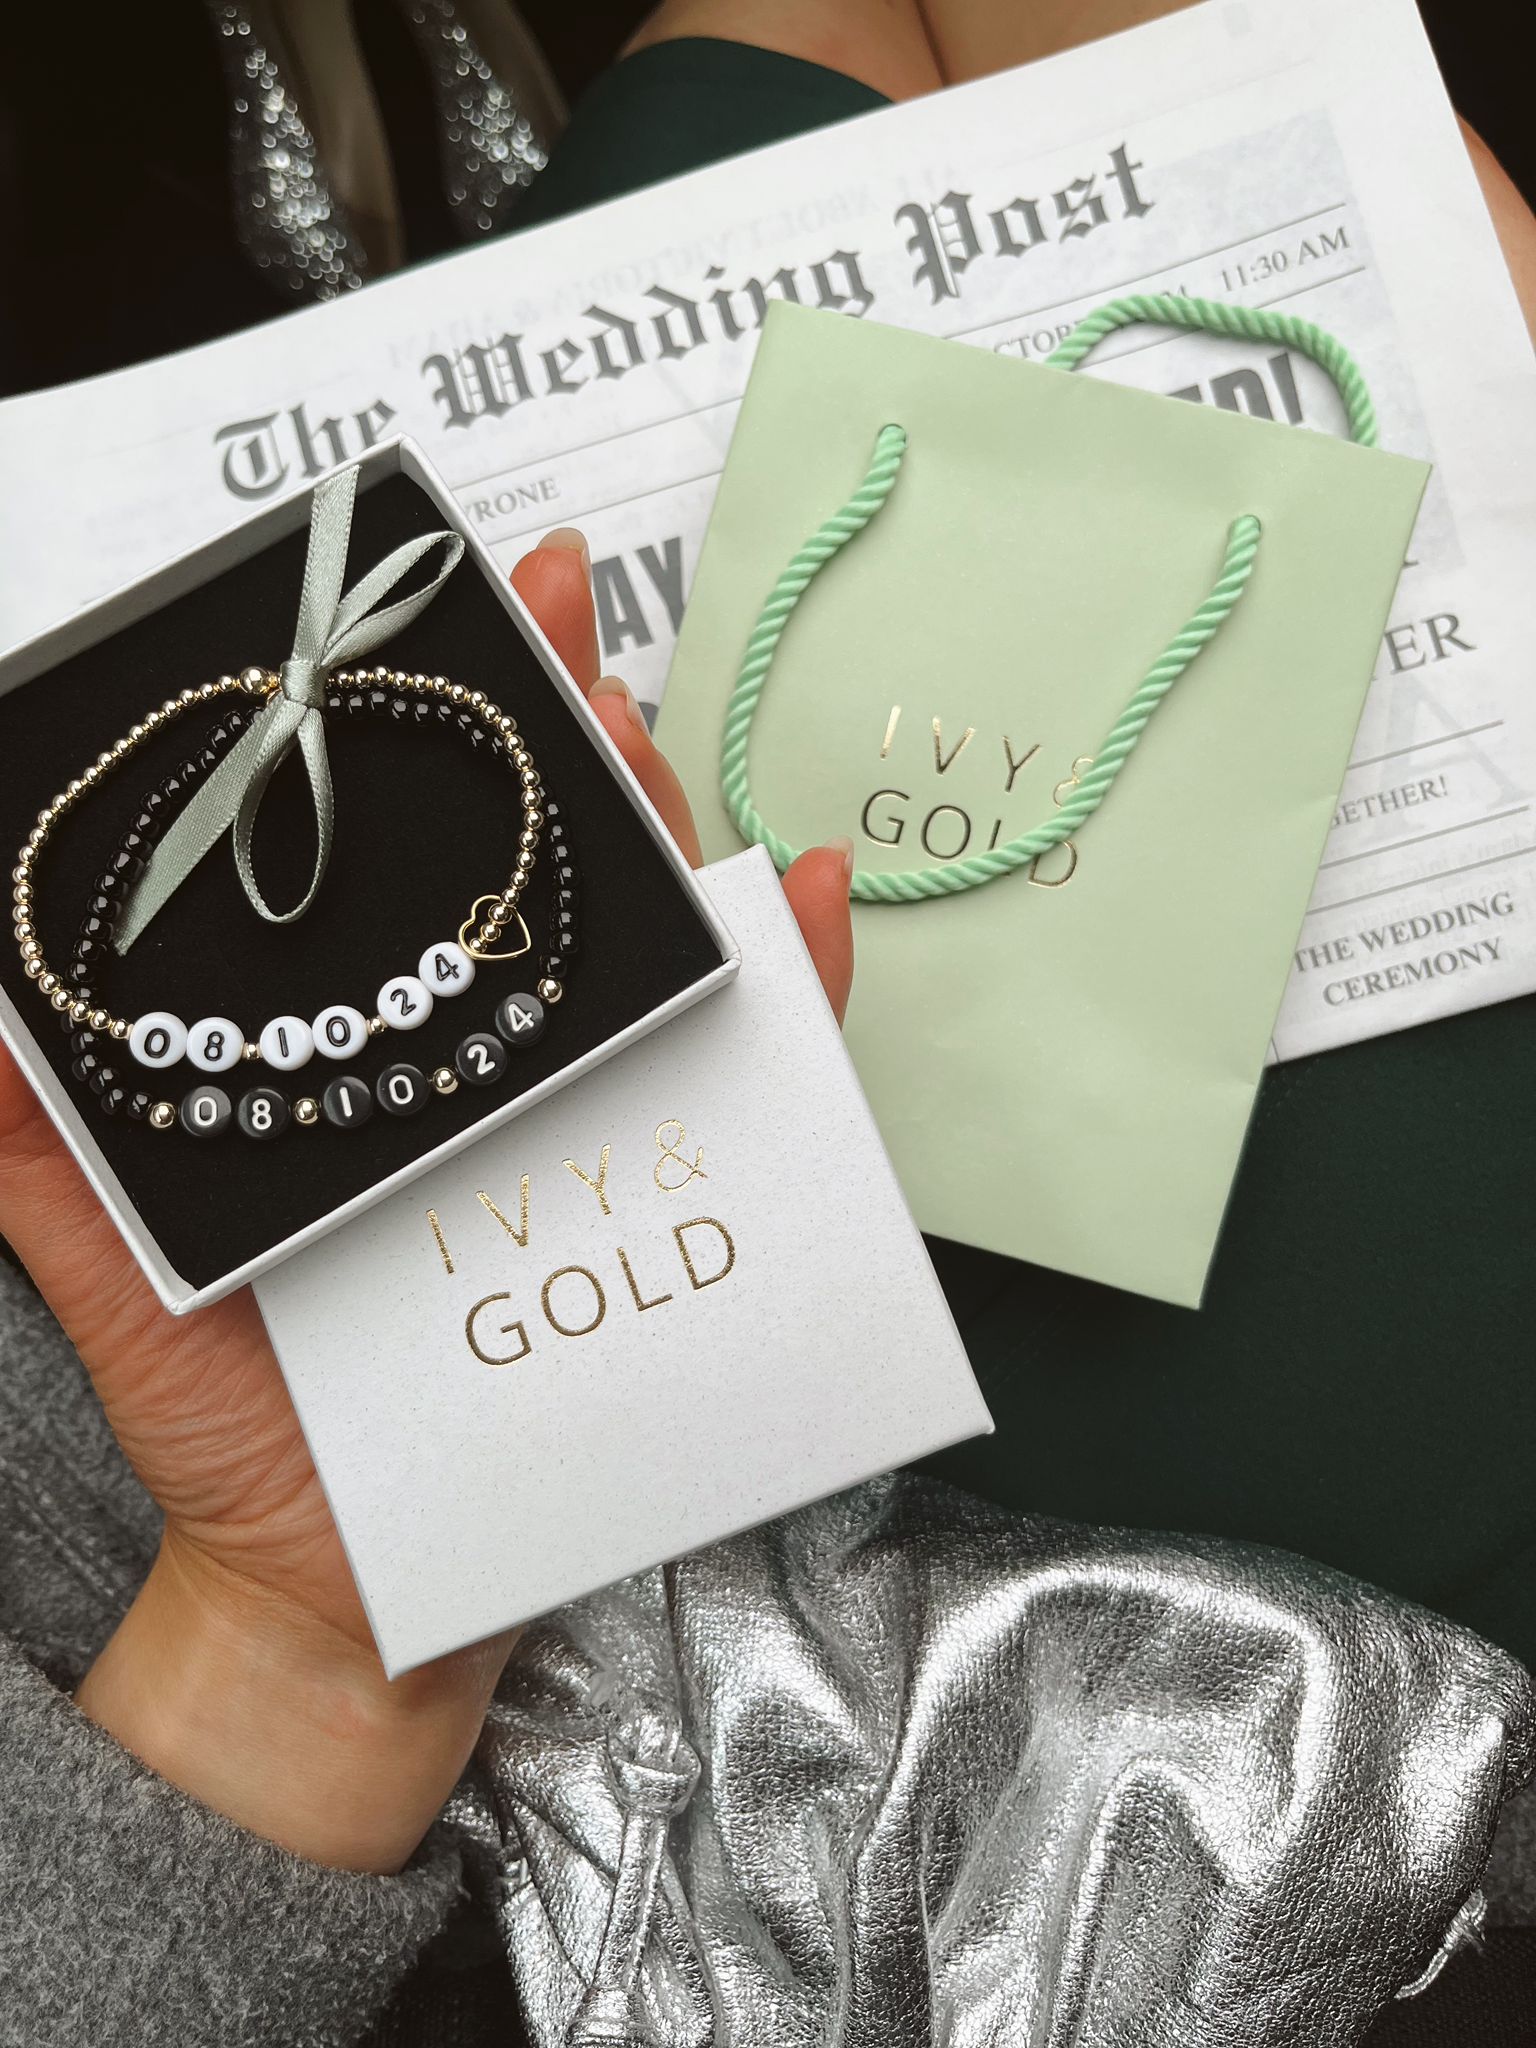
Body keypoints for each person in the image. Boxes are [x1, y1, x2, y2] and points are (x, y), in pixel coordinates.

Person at [3, 3, 1534, 2042]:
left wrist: (294, 1629)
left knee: (834, 119)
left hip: (346, 1449)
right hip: (1159, 1659)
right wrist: (305, 1642)